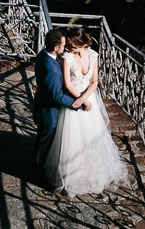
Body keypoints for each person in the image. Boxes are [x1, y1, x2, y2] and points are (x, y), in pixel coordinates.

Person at [44, 25, 127, 196]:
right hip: (74, 100)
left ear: (82, 45)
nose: (68, 48)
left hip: (89, 100)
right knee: (72, 140)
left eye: (72, 46)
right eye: (68, 46)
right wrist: (79, 100)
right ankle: (73, 175)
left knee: (92, 138)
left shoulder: (93, 55)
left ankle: (93, 173)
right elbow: (67, 84)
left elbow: (94, 82)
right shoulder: (66, 57)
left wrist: (85, 100)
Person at [32, 28, 77, 184]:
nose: (65, 47)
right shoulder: (51, 69)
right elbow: (56, 96)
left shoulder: (43, 54)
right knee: (44, 144)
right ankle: (37, 173)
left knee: (43, 141)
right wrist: (76, 104)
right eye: (63, 45)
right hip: (49, 112)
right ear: (56, 48)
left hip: (42, 103)